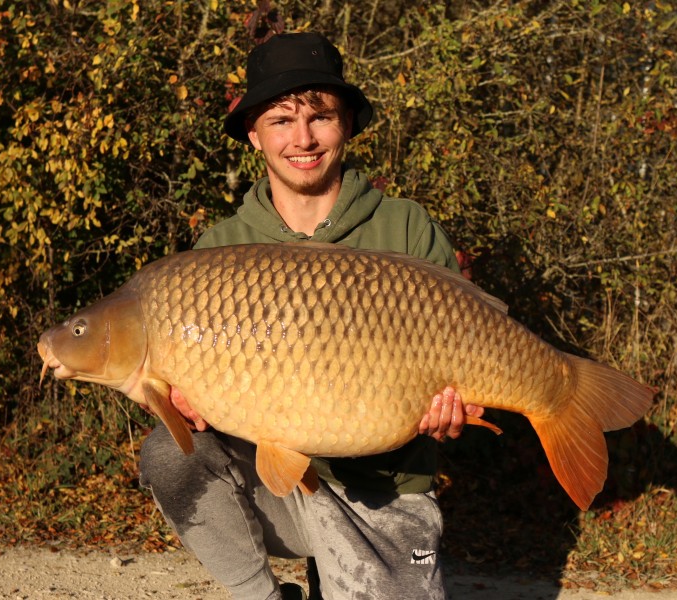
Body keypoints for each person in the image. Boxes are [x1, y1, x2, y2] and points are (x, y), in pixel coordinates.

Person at [139, 32, 483, 600]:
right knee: (171, 452)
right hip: (273, 487)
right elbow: (193, 399)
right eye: (280, 120)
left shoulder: (404, 227)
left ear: (346, 123)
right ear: (254, 135)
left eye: (320, 117)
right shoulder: (219, 250)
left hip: (383, 489)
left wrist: (450, 411)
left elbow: (461, 363)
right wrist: (184, 401)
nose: (302, 138)